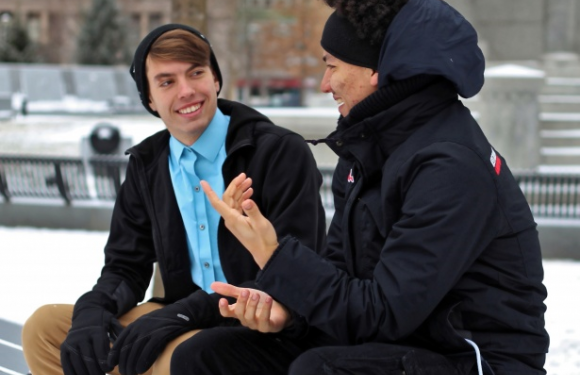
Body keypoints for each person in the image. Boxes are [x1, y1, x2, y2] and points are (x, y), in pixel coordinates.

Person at [203, 0, 550, 374]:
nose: (324, 85)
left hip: (475, 360)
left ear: (375, 70)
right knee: (212, 353)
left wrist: (273, 254)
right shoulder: (368, 151)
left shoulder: (451, 167)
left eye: (331, 66)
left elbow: (383, 312)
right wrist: (288, 311)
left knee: (318, 369)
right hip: (399, 344)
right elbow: (343, 274)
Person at [21, 23, 329, 375]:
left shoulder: (276, 152)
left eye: (195, 73)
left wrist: (183, 313)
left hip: (257, 323)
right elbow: (125, 265)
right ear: (150, 99)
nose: (186, 91)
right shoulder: (148, 165)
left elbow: (300, 270)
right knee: (45, 330)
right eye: (166, 82)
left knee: (173, 359)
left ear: (215, 79)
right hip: (177, 316)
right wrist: (93, 309)